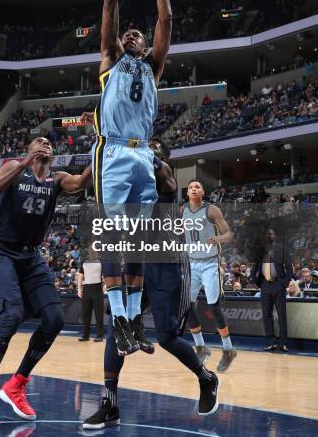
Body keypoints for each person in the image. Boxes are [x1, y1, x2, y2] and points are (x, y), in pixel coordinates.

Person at [83, 139, 219, 429]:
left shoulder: (164, 176)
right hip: (139, 263)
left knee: (168, 337)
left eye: (152, 147)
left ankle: (206, 378)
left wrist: (146, 156)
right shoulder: (129, 187)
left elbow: (165, 176)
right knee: (114, 331)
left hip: (168, 265)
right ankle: (111, 404)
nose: (146, 149)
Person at [0, 137, 91, 431]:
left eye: (49, 143)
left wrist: (102, 149)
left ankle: (16, 385)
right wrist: (23, 161)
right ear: (30, 150)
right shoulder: (14, 168)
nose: (46, 144)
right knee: (12, 316)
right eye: (39, 141)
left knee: (55, 318)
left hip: (31, 256)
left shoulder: (56, 179)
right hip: (0, 250)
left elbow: (81, 183)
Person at [93, 0, 172, 356]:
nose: (130, 36)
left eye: (136, 35)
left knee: (139, 242)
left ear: (144, 45)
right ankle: (120, 321)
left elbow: (166, 19)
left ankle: (135, 321)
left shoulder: (155, 67)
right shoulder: (110, 60)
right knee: (112, 239)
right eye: (127, 34)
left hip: (145, 156)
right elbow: (110, 3)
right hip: (115, 152)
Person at [183, 180, 238, 372]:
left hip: (209, 263)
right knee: (186, 306)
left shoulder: (211, 210)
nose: (194, 189)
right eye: (191, 187)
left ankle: (228, 349)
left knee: (213, 307)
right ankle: (201, 346)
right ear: (187, 192)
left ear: (203, 191)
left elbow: (229, 234)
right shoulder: (182, 211)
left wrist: (217, 239)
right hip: (191, 263)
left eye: (197, 186)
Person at [250, 227, 292, 352]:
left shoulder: (282, 249)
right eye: (267, 234)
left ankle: (283, 343)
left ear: (275, 236)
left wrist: (285, 282)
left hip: (278, 284)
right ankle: (271, 342)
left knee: (281, 315)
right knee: (266, 316)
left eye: (272, 234)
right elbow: (256, 265)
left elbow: (289, 267)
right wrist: (253, 277)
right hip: (265, 285)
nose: (269, 236)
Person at [77, 248, 104, 342]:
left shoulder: (101, 260)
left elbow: (105, 275)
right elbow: (80, 275)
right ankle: (85, 336)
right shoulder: (84, 261)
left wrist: (104, 286)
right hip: (86, 289)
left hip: (97, 289)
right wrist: (79, 289)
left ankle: (100, 336)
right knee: (86, 314)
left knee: (99, 314)